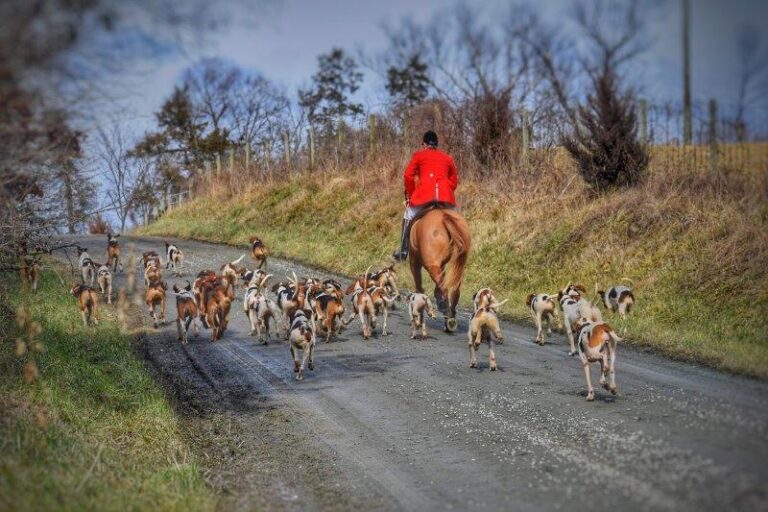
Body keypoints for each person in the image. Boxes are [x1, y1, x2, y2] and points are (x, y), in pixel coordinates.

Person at [392, 130, 458, 261]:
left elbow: (408, 175)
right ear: (436, 144)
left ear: (424, 144)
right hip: (446, 198)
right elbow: (454, 181)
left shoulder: (418, 156)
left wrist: (411, 194)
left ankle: (404, 252)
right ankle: (459, 248)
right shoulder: (448, 158)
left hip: (424, 197)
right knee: (457, 220)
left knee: (408, 216)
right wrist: (446, 189)